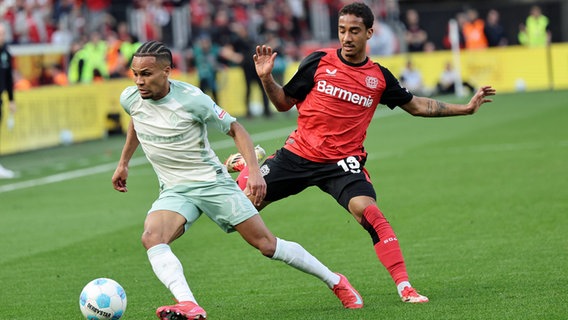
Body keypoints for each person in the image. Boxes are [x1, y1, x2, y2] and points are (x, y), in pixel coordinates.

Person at [227, 2, 496, 304]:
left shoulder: (379, 78)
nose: (347, 37)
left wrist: (466, 108)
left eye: (354, 31)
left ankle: (405, 287)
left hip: (342, 164)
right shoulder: (317, 62)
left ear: (369, 32)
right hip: (297, 155)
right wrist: (266, 79)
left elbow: (418, 106)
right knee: (236, 213)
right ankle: (246, 167)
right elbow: (282, 103)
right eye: (342, 30)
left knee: (369, 212)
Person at [111, 40, 364, 320]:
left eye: (146, 74)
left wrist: (255, 173)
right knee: (152, 237)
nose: (138, 81)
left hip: (211, 184)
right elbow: (137, 118)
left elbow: (236, 129)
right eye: (135, 73)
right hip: (174, 189)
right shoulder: (131, 98)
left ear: (167, 71)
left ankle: (336, 281)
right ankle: (189, 305)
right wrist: (123, 163)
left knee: (267, 245)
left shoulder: (192, 99)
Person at [0, 23, 17, 179]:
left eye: (4, 33)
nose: (3, 36)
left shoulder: (5, 52)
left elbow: (9, 78)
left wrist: (11, 100)